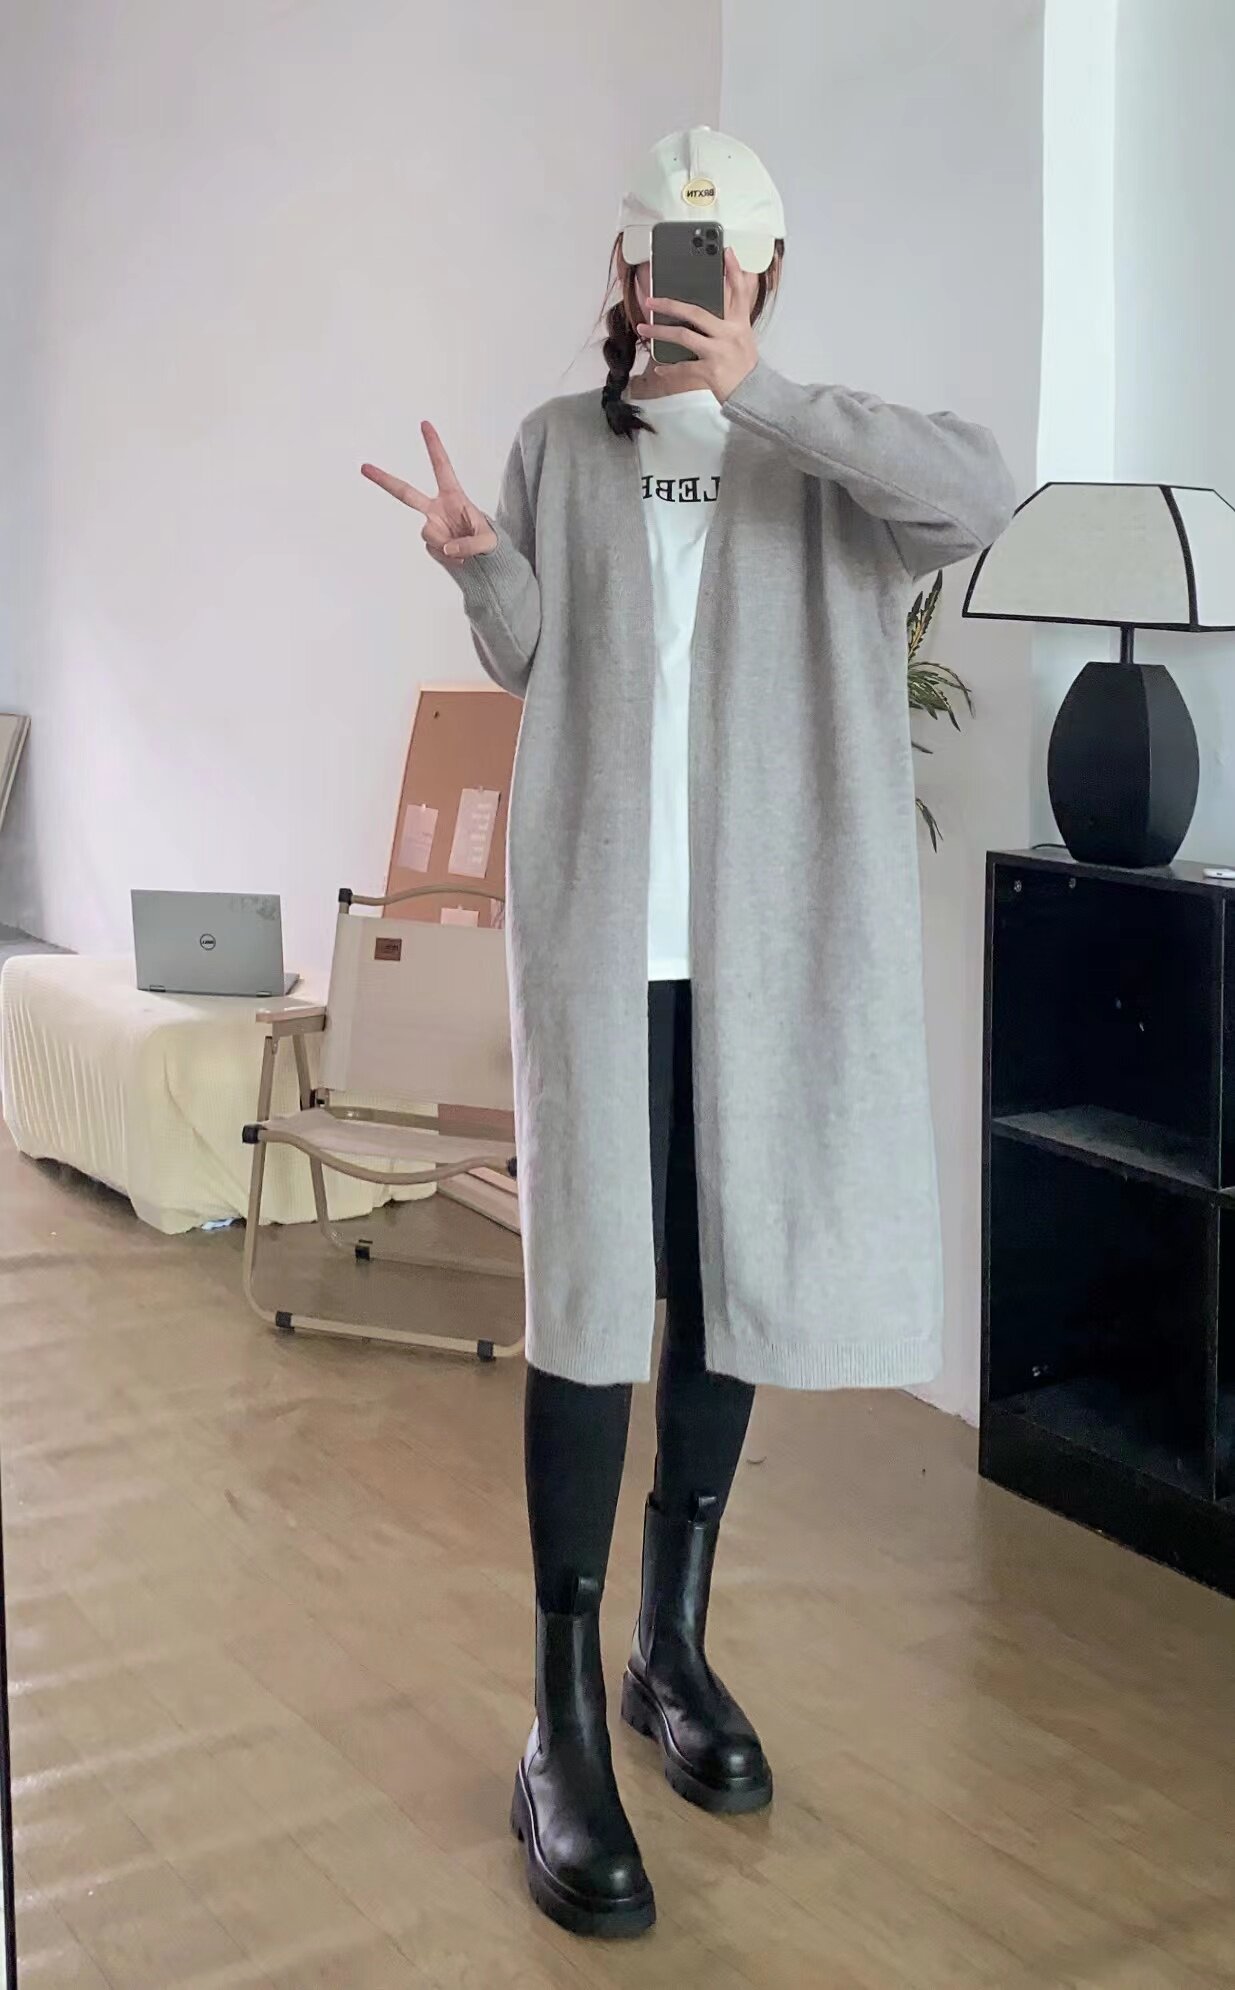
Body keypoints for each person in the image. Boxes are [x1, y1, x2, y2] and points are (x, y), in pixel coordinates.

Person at [362, 127, 1016, 1941]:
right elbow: (530, 657)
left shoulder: (822, 459)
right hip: (600, 947)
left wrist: (765, 393)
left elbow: (977, 494)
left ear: (766, 274)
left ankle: (672, 1645)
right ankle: (561, 1714)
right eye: (667, 250)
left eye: (722, 257)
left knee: (722, 1291)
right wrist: (478, 564)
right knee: (590, 1304)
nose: (688, 282)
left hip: (760, 961)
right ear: (628, 264)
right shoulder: (559, 444)